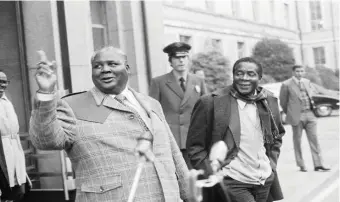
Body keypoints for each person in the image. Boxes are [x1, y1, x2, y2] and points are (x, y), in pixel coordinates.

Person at [29, 47, 189, 202]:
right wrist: (46, 94)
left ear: (127, 68)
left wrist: (190, 195)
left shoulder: (151, 104)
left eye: (112, 64)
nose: (104, 69)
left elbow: (174, 154)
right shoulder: (73, 105)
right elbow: (45, 140)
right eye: (97, 66)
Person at [187, 57, 286, 202]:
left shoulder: (268, 100)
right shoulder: (211, 102)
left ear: (259, 77)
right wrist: (211, 172)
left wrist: (271, 164)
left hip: (263, 180)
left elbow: (277, 135)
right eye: (239, 73)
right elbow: (195, 146)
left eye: (251, 74)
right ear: (233, 75)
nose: (244, 78)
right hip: (232, 180)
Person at [149, 42, 207, 168]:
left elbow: (206, 110)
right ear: (170, 62)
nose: (181, 61)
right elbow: (152, 112)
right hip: (171, 139)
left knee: (196, 179)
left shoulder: (198, 81)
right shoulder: (159, 82)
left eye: (184, 57)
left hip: (194, 139)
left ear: (188, 60)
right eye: (176, 58)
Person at [279, 65, 330, 172]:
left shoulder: (307, 82)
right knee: (297, 141)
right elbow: (283, 101)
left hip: (310, 114)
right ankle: (301, 165)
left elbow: (311, 96)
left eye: (302, 71)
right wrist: (290, 113)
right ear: (293, 72)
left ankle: (318, 164)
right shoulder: (286, 84)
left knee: (314, 140)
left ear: (304, 72)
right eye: (297, 71)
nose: (300, 73)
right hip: (297, 115)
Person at [0, 70, 30, 202]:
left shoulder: (7, 101)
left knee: (18, 189)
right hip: (1, 152)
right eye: (0, 81)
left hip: (14, 148)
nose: (3, 85)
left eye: (5, 81)